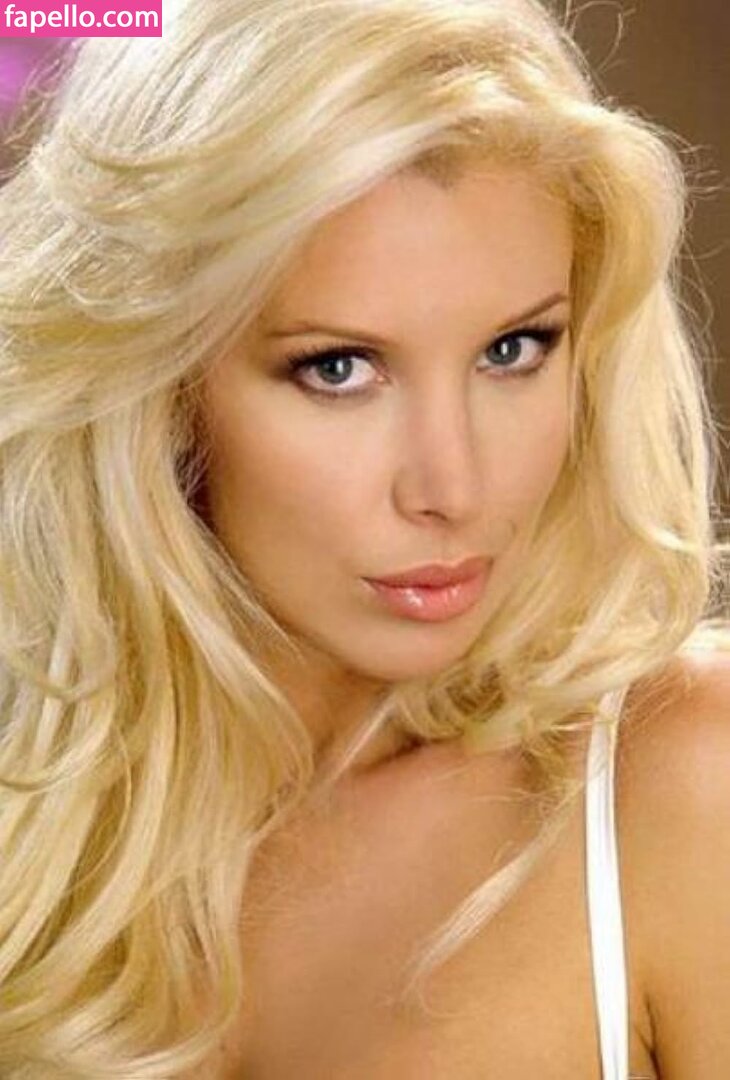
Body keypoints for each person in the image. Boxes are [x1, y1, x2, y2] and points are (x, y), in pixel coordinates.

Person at [0, 0, 728, 1076]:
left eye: (514, 350)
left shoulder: (683, 780)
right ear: (163, 391)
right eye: (338, 368)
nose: (453, 487)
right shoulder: (40, 861)